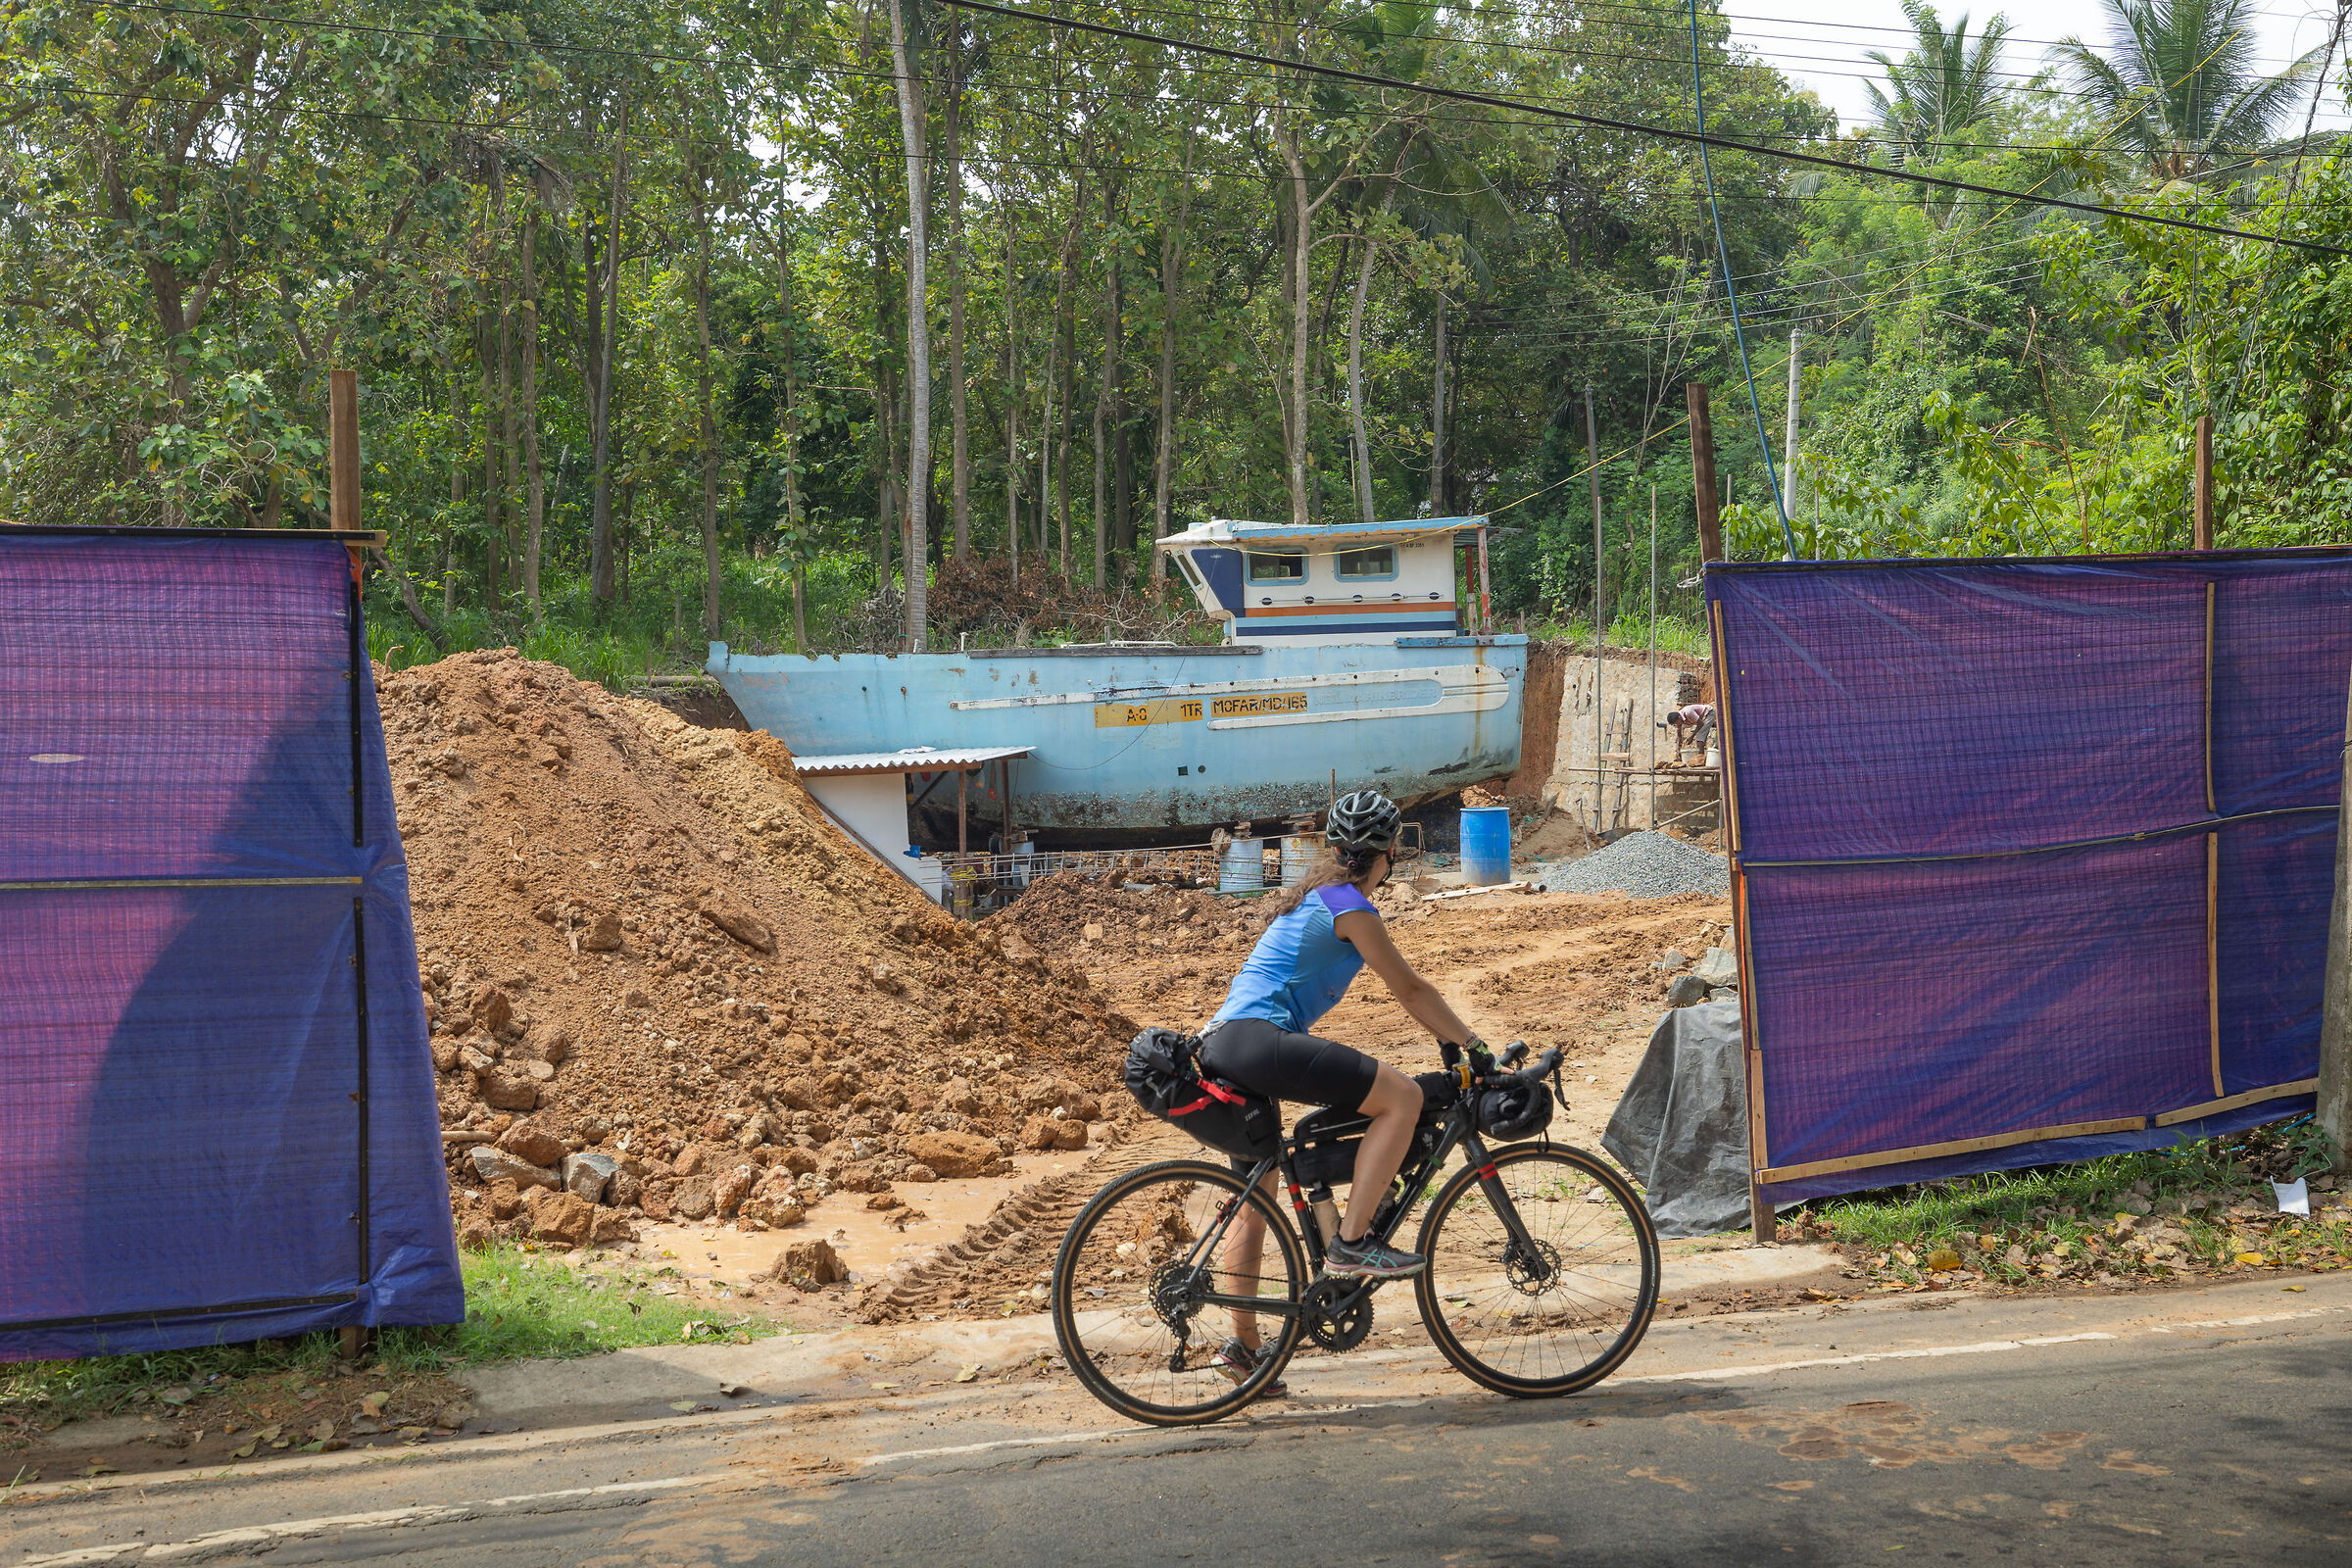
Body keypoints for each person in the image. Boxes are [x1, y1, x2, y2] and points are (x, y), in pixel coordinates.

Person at [1197, 788, 1489, 1393]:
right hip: (1258, 1040)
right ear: (1387, 856)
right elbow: (1409, 989)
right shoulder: (1349, 905)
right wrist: (1474, 1043)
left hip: (1224, 1043)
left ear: (1335, 847)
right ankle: (1351, 1244)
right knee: (1403, 1098)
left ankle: (1245, 1348)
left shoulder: (1313, 896)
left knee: (1258, 1197)